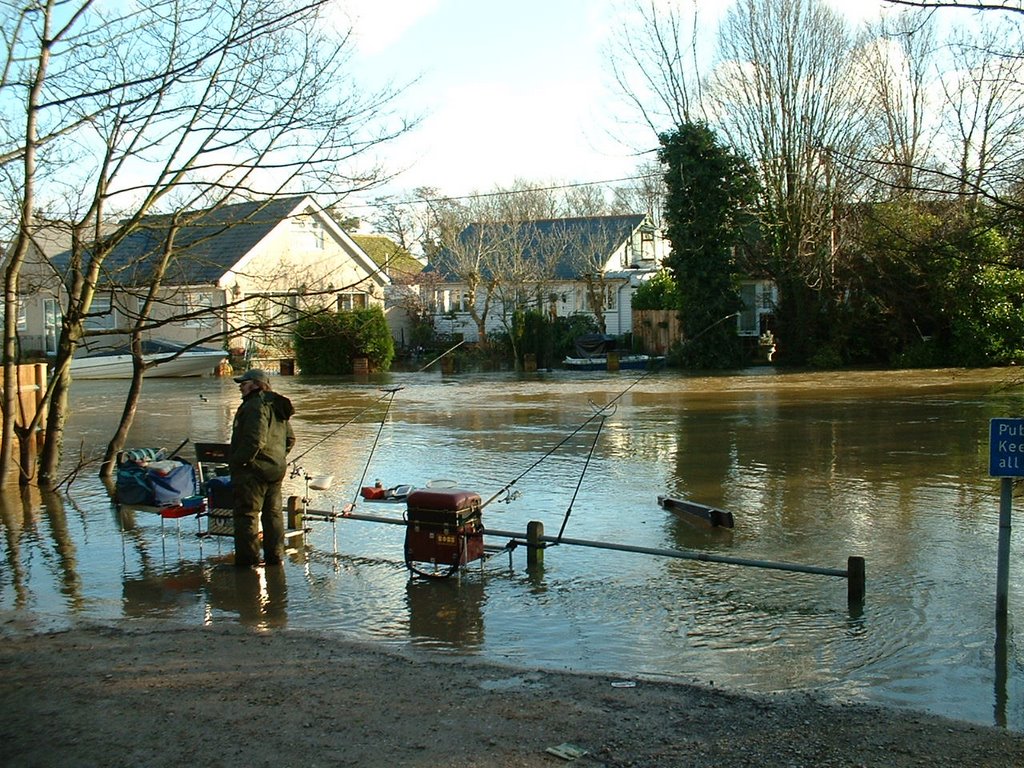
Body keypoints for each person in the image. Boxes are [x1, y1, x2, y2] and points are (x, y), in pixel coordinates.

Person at [229, 369, 296, 567]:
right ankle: (275, 559)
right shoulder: (275, 404)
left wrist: (239, 462)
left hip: (253, 472)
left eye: (244, 382)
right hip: (275, 470)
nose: (240, 386)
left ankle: (247, 563)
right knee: (273, 515)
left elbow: (254, 440)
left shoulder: (254, 405)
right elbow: (290, 439)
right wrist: (277, 458)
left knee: (246, 515)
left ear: (256, 385)